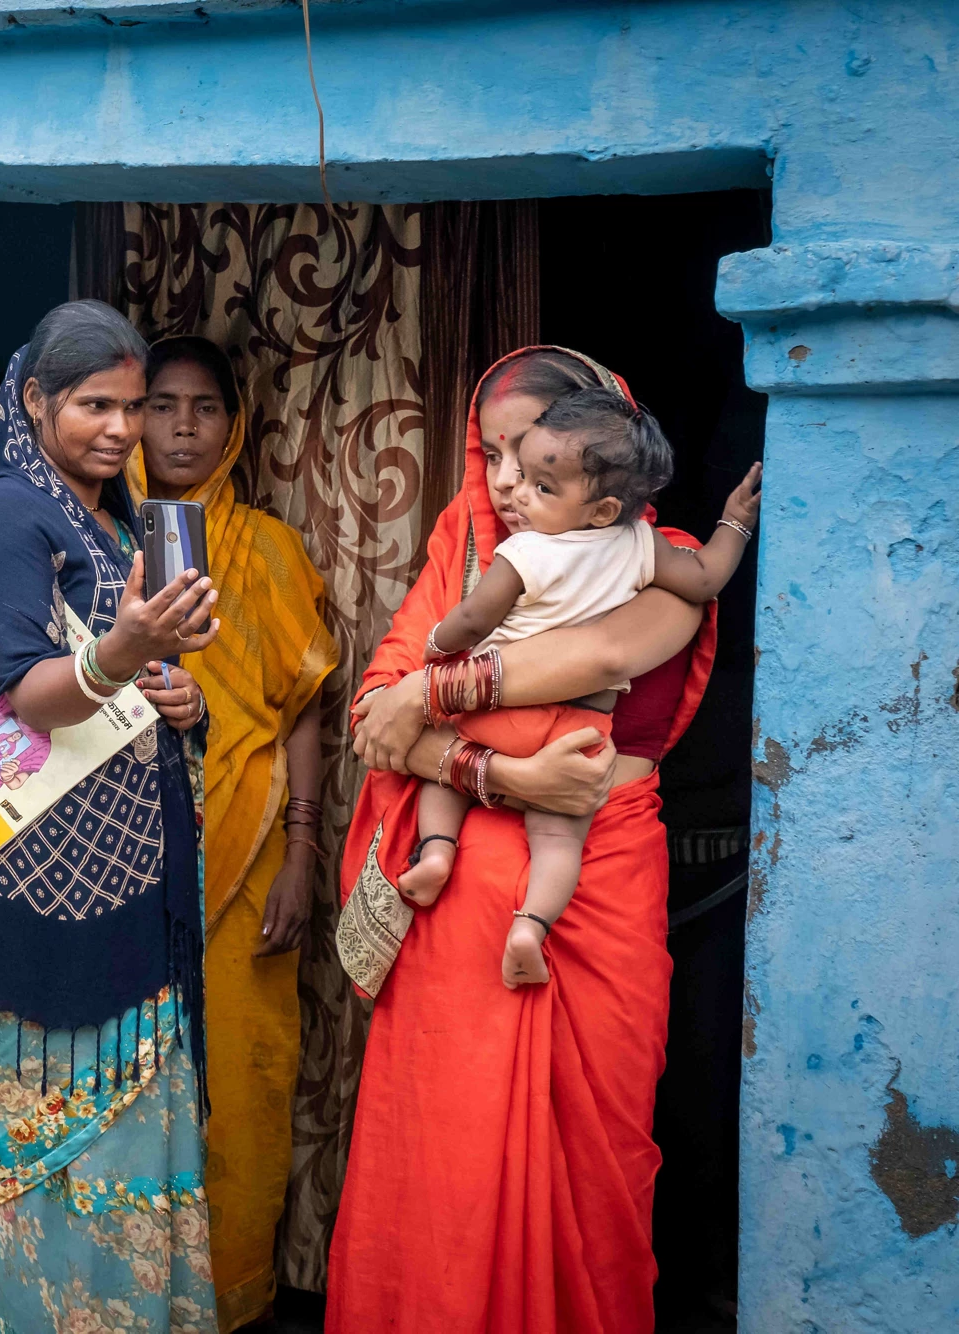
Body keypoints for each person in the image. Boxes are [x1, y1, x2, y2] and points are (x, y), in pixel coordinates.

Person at [326, 347, 721, 1334]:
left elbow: (596, 653)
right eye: (491, 454)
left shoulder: (654, 557)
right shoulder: (461, 553)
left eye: (532, 455)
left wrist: (434, 690)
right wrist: (497, 775)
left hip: (603, 868)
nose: (506, 479)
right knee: (448, 1155)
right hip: (466, 892)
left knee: (599, 1146)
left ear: (603, 467)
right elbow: (372, 713)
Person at [0, 301, 225, 1333]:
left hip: (132, 868)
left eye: (131, 406)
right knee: (42, 1133)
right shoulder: (7, 512)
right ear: (33, 399)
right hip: (41, 879)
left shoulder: (111, 519)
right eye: (92, 404)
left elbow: (130, 673)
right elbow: (23, 692)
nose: (117, 427)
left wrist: (175, 693)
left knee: (136, 1129)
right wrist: (121, 650)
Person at [404, 389, 762, 989]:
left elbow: (473, 621)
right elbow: (706, 577)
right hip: (579, 734)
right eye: (499, 461)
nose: (513, 488)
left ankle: (436, 850)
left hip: (497, 716)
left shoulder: (521, 550)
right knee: (557, 838)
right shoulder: (643, 547)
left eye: (540, 482)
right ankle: (532, 925)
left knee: (438, 778)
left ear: (602, 509)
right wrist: (734, 522)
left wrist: (437, 653)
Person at [127, 336, 337, 1332]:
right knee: (122, 1082)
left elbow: (301, 704)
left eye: (202, 406)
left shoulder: (263, 545)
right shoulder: (91, 537)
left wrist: (301, 846)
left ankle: (229, 1299)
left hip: (245, 856)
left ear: (233, 424)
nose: (179, 425)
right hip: (113, 863)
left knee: (242, 1086)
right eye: (158, 403)